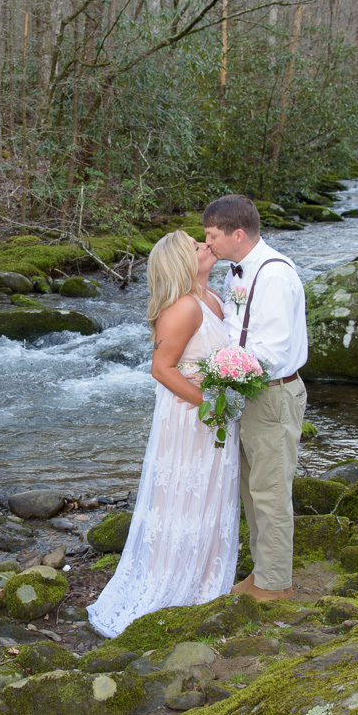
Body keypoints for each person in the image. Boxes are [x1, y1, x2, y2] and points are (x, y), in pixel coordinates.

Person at [87, 230, 240, 638]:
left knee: (211, 495)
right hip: (191, 418)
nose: (205, 245)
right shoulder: (184, 307)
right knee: (184, 499)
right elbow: (161, 370)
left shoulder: (214, 300)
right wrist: (208, 405)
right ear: (180, 263)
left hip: (215, 414)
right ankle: (173, 581)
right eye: (195, 245)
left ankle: (204, 577)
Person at [203, 194, 308, 601]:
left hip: (272, 393)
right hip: (246, 390)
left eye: (212, 235)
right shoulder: (234, 273)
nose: (207, 242)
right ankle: (261, 572)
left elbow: (276, 349)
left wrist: (223, 370)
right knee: (249, 487)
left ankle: (276, 584)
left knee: (271, 492)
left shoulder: (276, 275)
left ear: (238, 234)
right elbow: (235, 328)